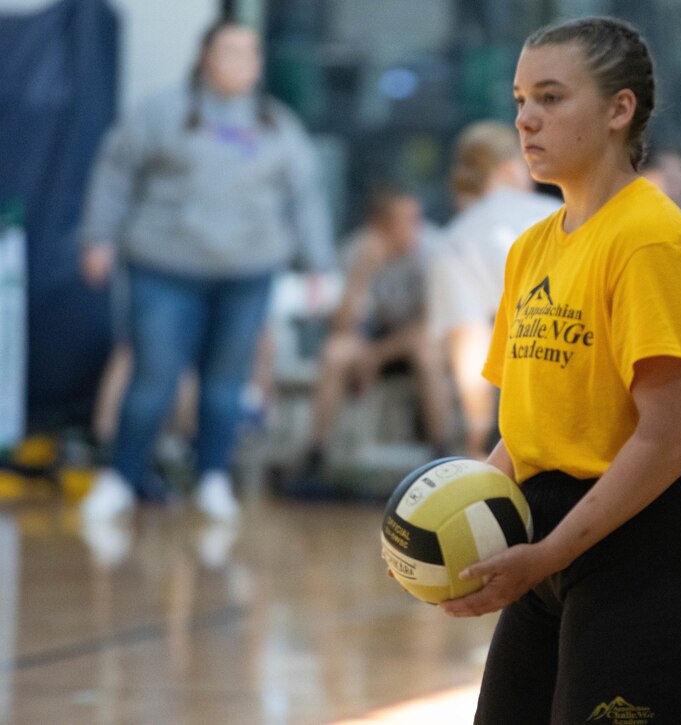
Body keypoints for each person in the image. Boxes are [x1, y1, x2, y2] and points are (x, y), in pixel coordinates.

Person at [435, 18, 681, 723]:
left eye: (550, 97)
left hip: (653, 558)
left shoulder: (647, 241)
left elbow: (670, 437)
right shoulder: (533, 247)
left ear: (618, 109)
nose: (525, 119)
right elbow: (528, 426)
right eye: (519, 100)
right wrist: (461, 516)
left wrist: (543, 554)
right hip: (551, 552)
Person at [78, 18, 334, 522]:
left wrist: (318, 263)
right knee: (154, 376)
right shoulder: (160, 113)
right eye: (229, 51)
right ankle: (121, 477)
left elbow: (306, 198)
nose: (240, 62)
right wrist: (97, 238)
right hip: (163, 267)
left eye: (249, 54)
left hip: (248, 273)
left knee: (226, 382)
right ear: (205, 58)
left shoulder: (277, 125)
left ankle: (213, 476)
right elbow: (115, 172)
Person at [289, 185, 450, 488]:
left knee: (426, 351)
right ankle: (315, 454)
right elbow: (340, 327)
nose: (413, 229)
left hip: (409, 345)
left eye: (416, 219)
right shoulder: (357, 250)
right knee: (335, 352)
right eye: (403, 221)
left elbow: (430, 326)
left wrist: (374, 356)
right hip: (372, 341)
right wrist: (363, 271)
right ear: (379, 224)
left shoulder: (432, 250)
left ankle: (440, 453)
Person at [427, 121, 560, 459]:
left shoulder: (456, 239)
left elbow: (469, 340)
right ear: (509, 166)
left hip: (518, 403)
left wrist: (480, 433)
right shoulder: (559, 216)